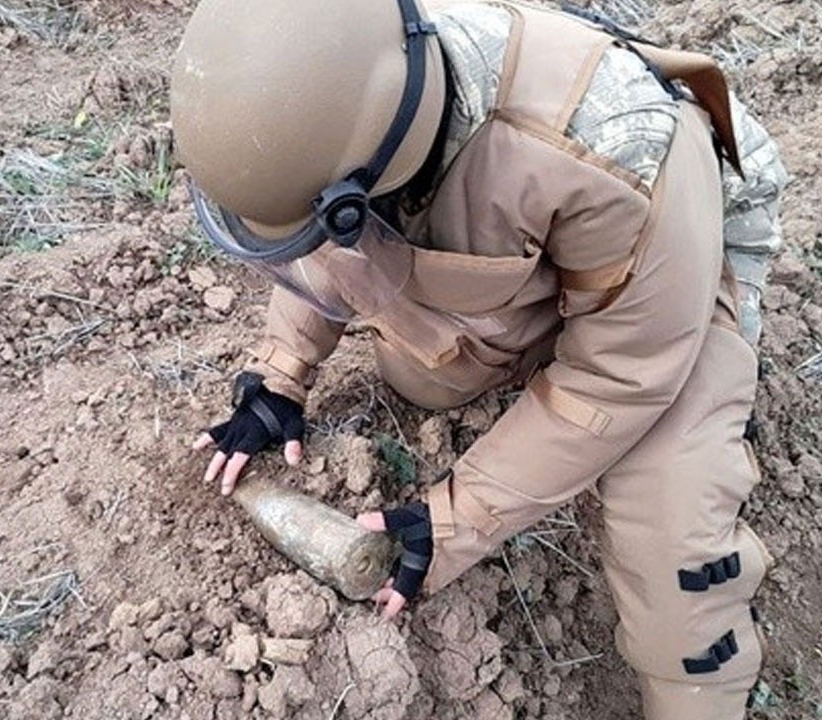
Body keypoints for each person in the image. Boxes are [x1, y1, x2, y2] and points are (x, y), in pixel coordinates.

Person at [171, 0, 789, 717]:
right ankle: (546, 328)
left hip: (675, 244)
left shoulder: (615, 146)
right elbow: (327, 235)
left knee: (667, 506)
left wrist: (452, 523)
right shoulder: (348, 90)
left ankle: (696, 696)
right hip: (527, 221)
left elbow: (619, 377)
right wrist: (281, 378)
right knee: (426, 377)